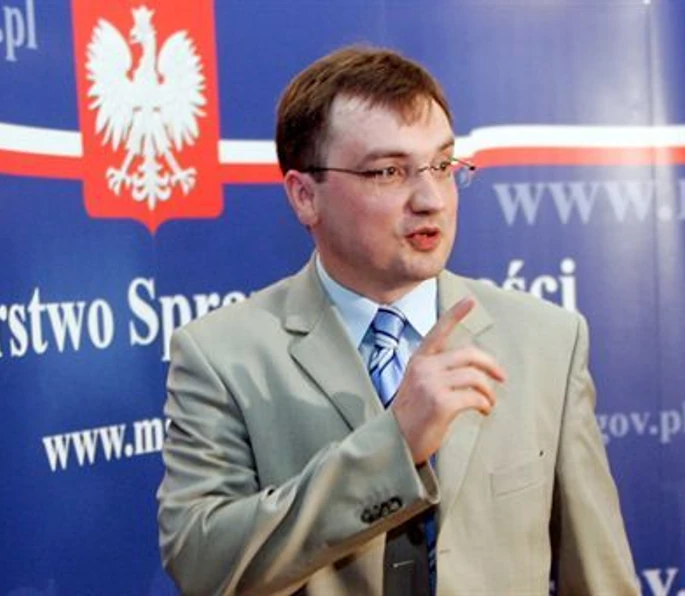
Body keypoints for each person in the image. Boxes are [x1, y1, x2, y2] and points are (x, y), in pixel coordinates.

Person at [156, 46, 637, 595]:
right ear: (305, 196)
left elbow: (600, 576)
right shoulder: (220, 355)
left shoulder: (547, 340)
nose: (431, 199)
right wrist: (395, 447)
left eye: (442, 166)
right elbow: (203, 564)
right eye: (388, 171)